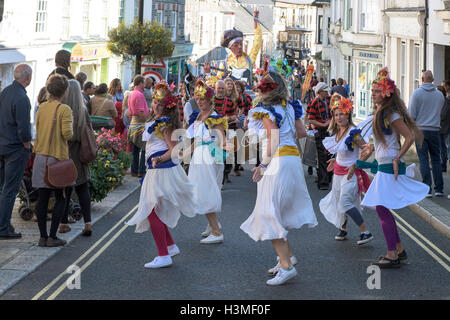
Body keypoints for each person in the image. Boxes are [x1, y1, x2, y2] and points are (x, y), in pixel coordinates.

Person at [240, 71, 317, 285]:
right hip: (292, 161)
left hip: (277, 162)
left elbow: (273, 137)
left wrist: (263, 164)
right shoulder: (291, 107)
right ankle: (286, 258)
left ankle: (287, 267)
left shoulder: (265, 110)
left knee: (268, 214)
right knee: (277, 213)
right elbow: (301, 132)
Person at [359, 67, 428, 268]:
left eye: (377, 91)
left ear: (387, 93)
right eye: (372, 91)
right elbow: (385, 140)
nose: (373, 94)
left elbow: (410, 136)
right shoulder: (381, 112)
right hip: (384, 163)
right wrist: (370, 147)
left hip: (389, 165)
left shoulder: (391, 114)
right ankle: (398, 250)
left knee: (382, 208)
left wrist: (398, 157)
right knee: (383, 208)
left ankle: (392, 253)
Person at [126, 82, 196, 268]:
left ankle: (163, 254)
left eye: (160, 103)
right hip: (158, 169)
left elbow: (175, 151)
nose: (156, 105)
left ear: (167, 107)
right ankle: (170, 246)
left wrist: (159, 159)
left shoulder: (165, 124)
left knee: (151, 210)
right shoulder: (160, 121)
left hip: (161, 170)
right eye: (155, 102)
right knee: (155, 209)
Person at [319, 94, 373, 245]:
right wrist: (335, 159)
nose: (338, 117)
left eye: (341, 114)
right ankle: (343, 229)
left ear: (348, 114)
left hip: (350, 174)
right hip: (337, 172)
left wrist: (355, 165)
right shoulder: (338, 132)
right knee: (338, 202)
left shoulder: (353, 132)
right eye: (336, 115)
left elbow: (368, 150)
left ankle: (365, 232)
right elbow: (343, 151)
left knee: (345, 203)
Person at [32, 75, 73, 247]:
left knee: (42, 197)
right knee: (60, 198)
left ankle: (42, 236)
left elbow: (38, 129)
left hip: (41, 156)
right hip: (57, 159)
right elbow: (67, 134)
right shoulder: (64, 109)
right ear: (64, 91)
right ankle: (53, 236)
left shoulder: (41, 108)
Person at [185, 80, 228, 244]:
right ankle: (213, 226)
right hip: (199, 158)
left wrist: (217, 159)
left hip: (208, 158)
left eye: (203, 99)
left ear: (210, 100)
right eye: (198, 98)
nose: (200, 101)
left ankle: (217, 232)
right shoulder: (198, 116)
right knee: (201, 191)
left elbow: (222, 140)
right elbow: (196, 141)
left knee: (206, 192)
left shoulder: (214, 117)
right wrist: (183, 154)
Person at [0, 64, 33, 239]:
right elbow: (23, 127)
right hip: (14, 148)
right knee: (10, 189)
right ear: (27, 78)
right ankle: (3, 227)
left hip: (2, 145)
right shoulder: (21, 97)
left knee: (2, 188)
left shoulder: (5, 92)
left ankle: (3, 223)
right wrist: (27, 145)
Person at [59, 79, 93, 236]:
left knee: (65, 190)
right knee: (82, 189)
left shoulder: (61, 110)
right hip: (79, 154)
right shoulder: (83, 110)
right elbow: (89, 132)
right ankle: (88, 223)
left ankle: (63, 223)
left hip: (64, 153)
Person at [408, 70, 445, 197]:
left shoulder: (416, 94)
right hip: (435, 129)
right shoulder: (439, 95)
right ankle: (439, 188)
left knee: (423, 159)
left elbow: (411, 115)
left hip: (420, 130)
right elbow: (439, 111)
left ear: (422, 79)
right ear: (433, 79)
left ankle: (427, 188)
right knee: (436, 159)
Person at [204, 8, 261, 87]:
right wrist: (208, 73)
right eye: (236, 45)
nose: (240, 47)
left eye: (241, 44)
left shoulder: (249, 59)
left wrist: (255, 20)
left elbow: (257, 42)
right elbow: (218, 82)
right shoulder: (225, 62)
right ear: (230, 47)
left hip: (246, 95)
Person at [307, 82, 333, 190]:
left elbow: (330, 116)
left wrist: (329, 123)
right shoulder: (314, 102)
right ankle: (323, 182)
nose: (327, 92)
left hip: (326, 132)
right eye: (325, 90)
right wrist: (323, 124)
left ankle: (326, 178)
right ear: (320, 92)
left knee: (327, 156)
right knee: (322, 157)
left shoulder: (326, 101)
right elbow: (311, 118)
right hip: (319, 132)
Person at [213, 80, 235, 183]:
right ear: (215, 88)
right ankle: (214, 177)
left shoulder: (229, 101)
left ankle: (223, 175)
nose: (220, 90)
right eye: (219, 88)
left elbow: (234, 116)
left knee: (225, 155)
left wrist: (226, 119)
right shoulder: (210, 100)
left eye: (222, 88)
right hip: (212, 133)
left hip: (226, 132)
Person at [128, 75, 150, 178]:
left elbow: (129, 112)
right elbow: (141, 112)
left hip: (133, 121)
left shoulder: (132, 93)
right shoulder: (139, 95)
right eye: (144, 82)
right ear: (140, 83)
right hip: (140, 123)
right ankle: (141, 171)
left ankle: (134, 170)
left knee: (135, 149)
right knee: (143, 148)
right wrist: (147, 123)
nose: (144, 84)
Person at [437, 86, 450, 173]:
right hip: (441, 127)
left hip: (445, 128)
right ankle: (442, 165)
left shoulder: (446, 102)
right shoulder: (441, 101)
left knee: (446, 147)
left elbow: (443, 115)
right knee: (442, 148)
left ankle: (444, 165)